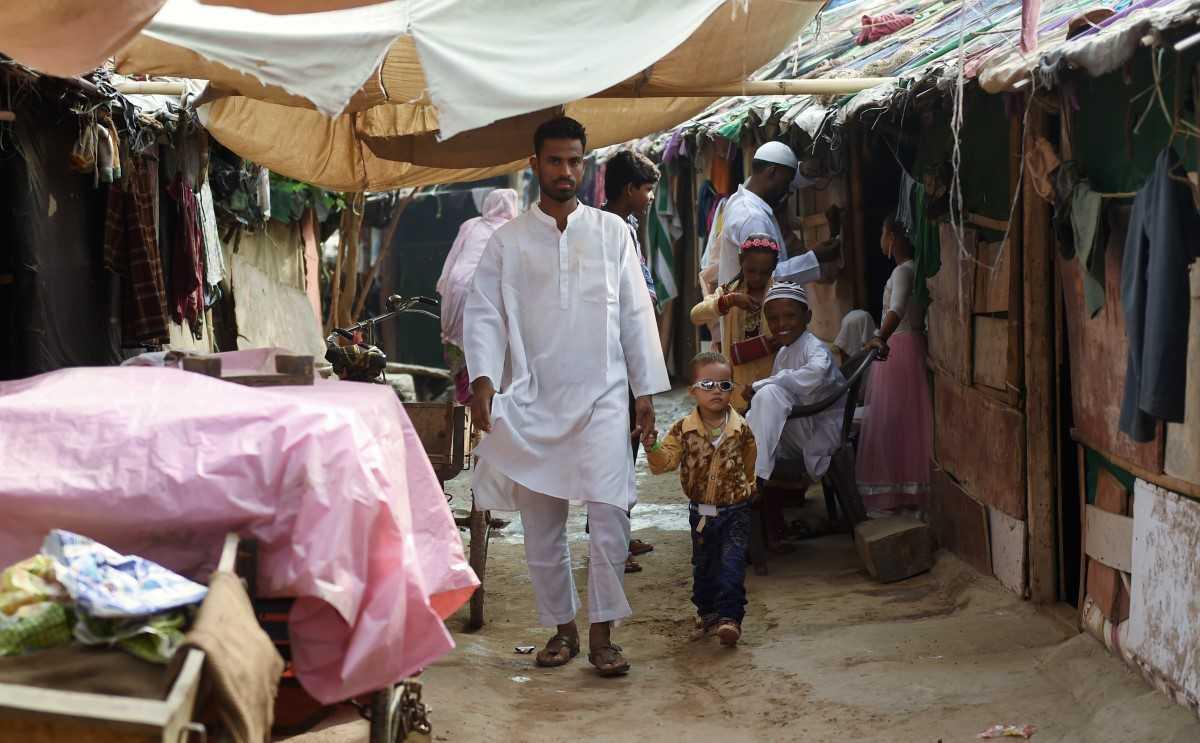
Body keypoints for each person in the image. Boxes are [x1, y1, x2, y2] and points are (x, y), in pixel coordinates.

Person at [464, 116, 670, 678]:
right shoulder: (507, 242)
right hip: (532, 399)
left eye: (575, 161)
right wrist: (483, 379)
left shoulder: (611, 232)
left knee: (609, 517)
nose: (565, 171)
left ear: (586, 163)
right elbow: (483, 311)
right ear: (535, 165)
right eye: (554, 161)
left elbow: (635, 313)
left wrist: (645, 390)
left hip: (604, 396)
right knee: (542, 526)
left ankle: (604, 634)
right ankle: (562, 630)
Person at [644, 352, 757, 647]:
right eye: (707, 384)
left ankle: (730, 617)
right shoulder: (683, 430)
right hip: (702, 513)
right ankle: (708, 612)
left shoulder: (741, 427)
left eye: (723, 384)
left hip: (736, 510)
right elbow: (664, 462)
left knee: (732, 564)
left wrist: (749, 486)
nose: (716, 390)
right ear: (692, 391)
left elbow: (750, 460)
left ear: (732, 389)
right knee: (705, 564)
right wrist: (652, 445)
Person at [602, 149, 661, 573]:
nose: (651, 197)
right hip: (617, 348)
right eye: (647, 189)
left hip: (630, 344)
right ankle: (610, 541)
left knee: (629, 441)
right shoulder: (609, 229)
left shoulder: (628, 225)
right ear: (629, 189)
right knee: (619, 443)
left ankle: (617, 531)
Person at [857, 214, 933, 514]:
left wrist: (878, 338)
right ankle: (906, 490)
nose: (881, 240)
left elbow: (896, 308)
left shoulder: (904, 271)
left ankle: (902, 491)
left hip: (900, 348)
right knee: (904, 419)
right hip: (906, 345)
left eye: (882, 233)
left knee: (896, 420)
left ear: (894, 237)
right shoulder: (909, 270)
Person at [701, 141, 843, 294]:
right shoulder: (753, 219)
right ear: (772, 172)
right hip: (754, 312)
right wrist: (814, 257)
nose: (786, 190)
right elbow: (765, 277)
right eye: (786, 183)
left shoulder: (740, 198)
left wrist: (804, 172)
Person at [744, 283, 845, 489]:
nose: (781, 323)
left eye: (790, 315)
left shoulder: (815, 349)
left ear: (807, 316)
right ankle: (753, 475)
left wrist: (760, 385)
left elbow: (815, 376)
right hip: (800, 425)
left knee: (768, 394)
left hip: (819, 431)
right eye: (773, 318)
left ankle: (756, 479)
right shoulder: (784, 352)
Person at [435, 188, 519, 403]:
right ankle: (483, 411)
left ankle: (464, 402)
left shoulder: (471, 224)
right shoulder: (514, 230)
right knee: (487, 353)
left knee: (461, 356)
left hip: (455, 292)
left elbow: (452, 260)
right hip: (485, 296)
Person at [689, 233, 782, 414]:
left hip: (770, 388)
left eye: (764, 272)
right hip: (735, 391)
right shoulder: (729, 291)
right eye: (751, 270)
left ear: (773, 268)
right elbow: (695, 315)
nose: (756, 277)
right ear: (741, 261)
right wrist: (727, 302)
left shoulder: (780, 294)